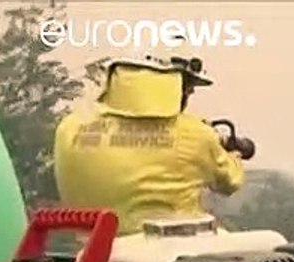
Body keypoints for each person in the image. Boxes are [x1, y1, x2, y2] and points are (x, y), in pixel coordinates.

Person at [53, 55, 244, 235]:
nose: (188, 94)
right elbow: (230, 183)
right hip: (165, 253)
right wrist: (234, 155)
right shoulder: (196, 134)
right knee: (269, 242)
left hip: (91, 251)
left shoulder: (71, 126)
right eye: (186, 88)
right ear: (169, 83)